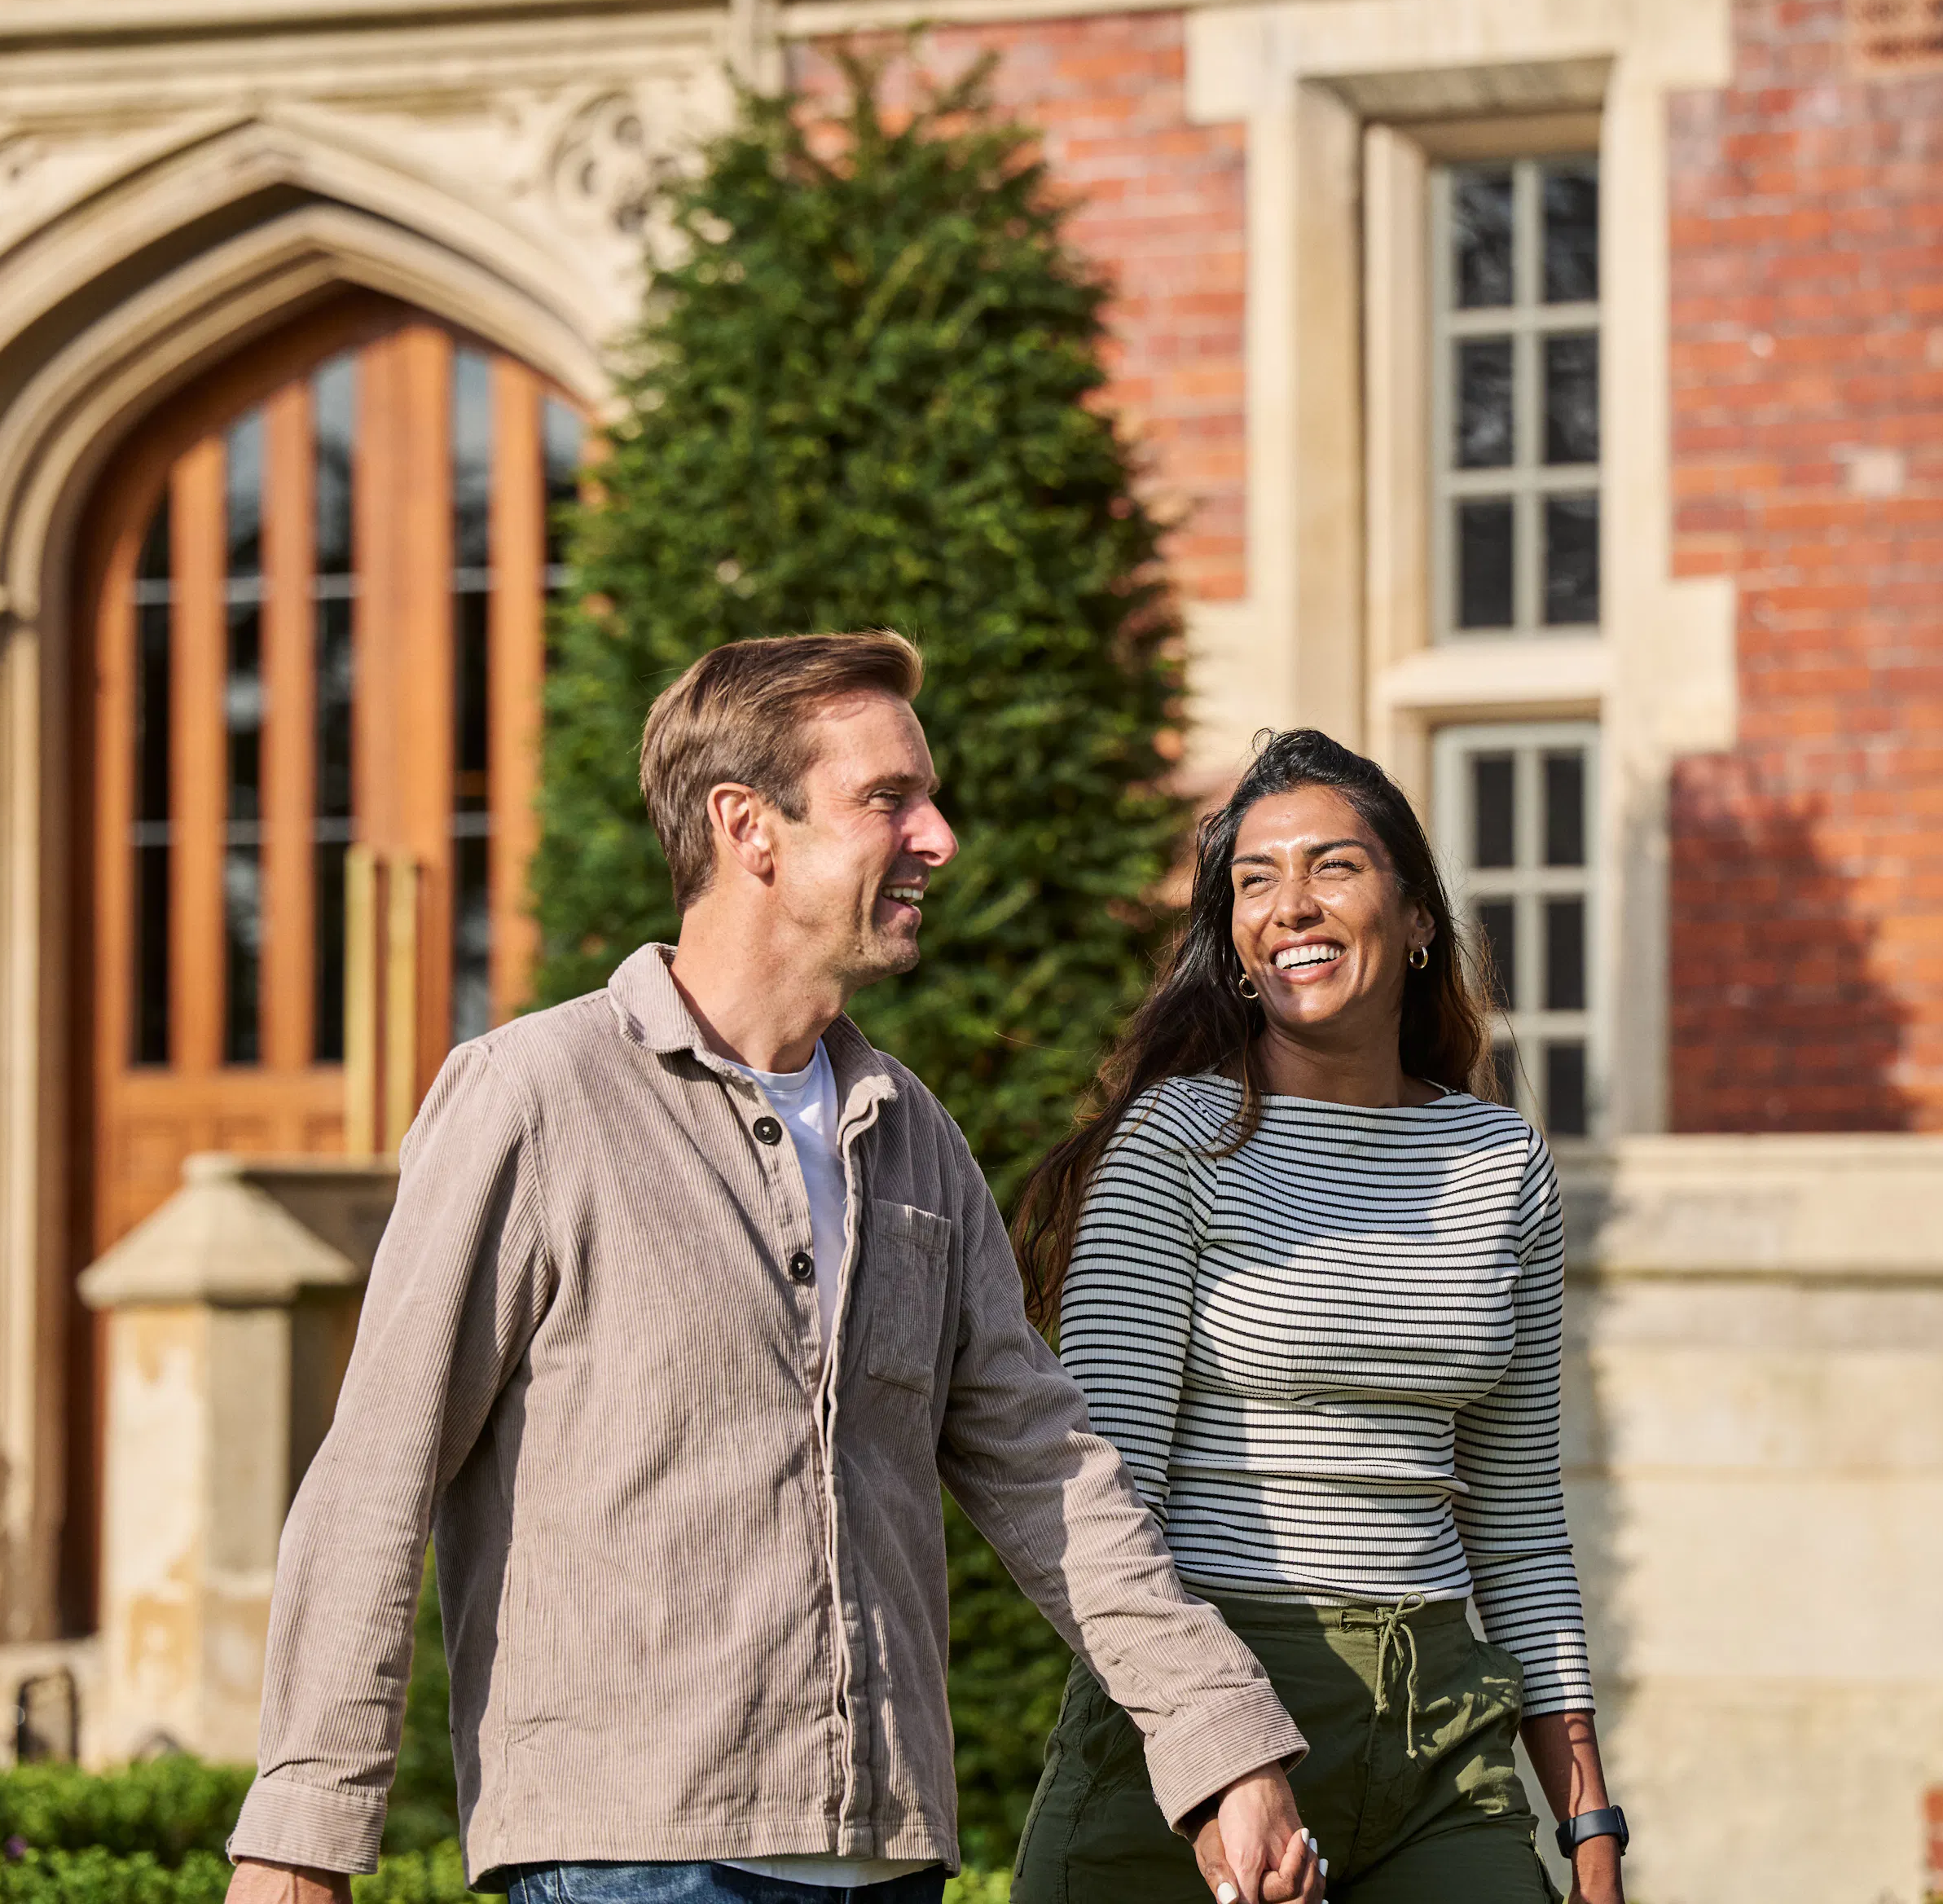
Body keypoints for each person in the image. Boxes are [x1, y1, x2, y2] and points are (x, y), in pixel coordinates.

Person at [223, 633, 1329, 1904]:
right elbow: (377, 1469)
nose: (939, 838)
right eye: (888, 800)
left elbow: (1047, 1468)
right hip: (631, 1862)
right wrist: (301, 1837)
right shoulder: (533, 1101)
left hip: (888, 1853)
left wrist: (1219, 1748)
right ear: (748, 826)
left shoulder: (910, 1133)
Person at [1005, 728, 1629, 1904]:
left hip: (1435, 1725)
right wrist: (1219, 1756)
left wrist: (1588, 1818)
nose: (1291, 905)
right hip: (1204, 1706)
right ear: (1235, 945)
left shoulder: (1500, 1163)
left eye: (1333, 867)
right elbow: (1094, 1497)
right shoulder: (1175, 1146)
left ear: (1419, 916)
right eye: (1255, 880)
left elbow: (1520, 1521)